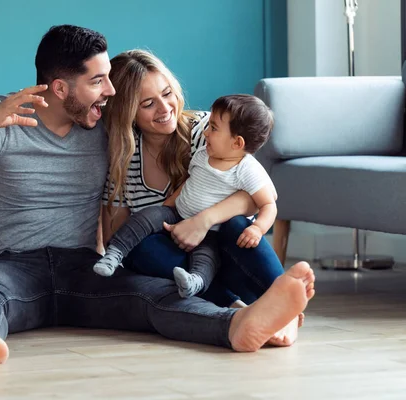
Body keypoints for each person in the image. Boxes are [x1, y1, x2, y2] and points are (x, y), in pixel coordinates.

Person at [0, 25, 315, 365]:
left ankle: (235, 326)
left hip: (82, 267)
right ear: (59, 88)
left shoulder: (105, 126)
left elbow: (210, 149)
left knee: (153, 295)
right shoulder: (1, 118)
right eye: (97, 81)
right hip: (10, 264)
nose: (109, 91)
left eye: (108, 79)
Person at [100, 49, 307, 333]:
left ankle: (285, 310)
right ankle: (239, 313)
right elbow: (116, 232)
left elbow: (254, 197)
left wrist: (202, 221)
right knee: (138, 248)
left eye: (167, 93)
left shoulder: (208, 131)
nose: (165, 108)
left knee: (237, 226)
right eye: (148, 103)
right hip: (180, 265)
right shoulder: (125, 156)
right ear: (126, 112)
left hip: (228, 251)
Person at [95, 93, 277, 301]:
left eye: (214, 128)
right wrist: (167, 206)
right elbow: (189, 183)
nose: (206, 132)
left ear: (237, 143)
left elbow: (269, 203)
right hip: (176, 214)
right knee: (144, 219)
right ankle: (114, 254)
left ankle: (195, 283)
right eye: (148, 103)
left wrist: (258, 228)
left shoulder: (246, 169)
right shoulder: (204, 153)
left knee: (206, 259)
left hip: (211, 233)